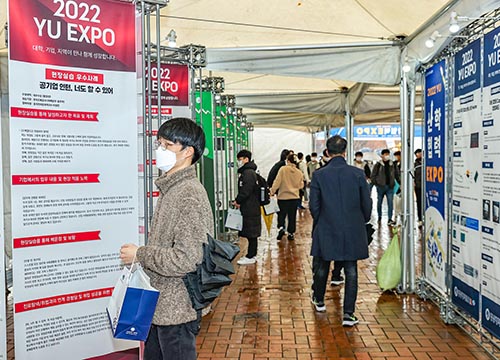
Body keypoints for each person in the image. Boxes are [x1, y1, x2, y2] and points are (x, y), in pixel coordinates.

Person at [119, 117, 213, 360]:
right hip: (160, 307)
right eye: (159, 144)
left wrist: (140, 254)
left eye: (167, 145)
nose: (160, 151)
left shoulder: (189, 194)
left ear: (188, 152)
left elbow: (187, 259)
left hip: (177, 311)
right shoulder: (172, 188)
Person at [309, 135, 372, 326]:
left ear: (327, 152)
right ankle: (348, 314)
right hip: (353, 227)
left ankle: (319, 300)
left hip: (327, 225)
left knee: (323, 265)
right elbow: (367, 203)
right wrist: (362, 220)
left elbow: (314, 205)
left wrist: (322, 221)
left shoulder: (319, 175)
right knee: (351, 269)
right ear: (345, 152)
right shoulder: (358, 174)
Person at [234, 149, 262, 265]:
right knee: (251, 231)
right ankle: (251, 254)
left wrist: (238, 200)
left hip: (250, 207)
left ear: (246, 159)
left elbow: (246, 190)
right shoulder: (249, 172)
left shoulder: (248, 173)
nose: (239, 162)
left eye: (240, 159)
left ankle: (251, 255)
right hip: (251, 206)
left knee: (252, 232)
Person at [271, 154, 304, 241]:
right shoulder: (299, 172)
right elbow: (301, 185)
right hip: (294, 197)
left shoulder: (283, 169)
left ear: (288, 161)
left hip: (283, 197)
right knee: (292, 216)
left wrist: (272, 191)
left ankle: (281, 228)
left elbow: (277, 182)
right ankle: (291, 233)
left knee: (281, 214)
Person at [371, 149, 398, 226]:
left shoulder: (392, 164)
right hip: (380, 187)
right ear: (382, 155)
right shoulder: (378, 164)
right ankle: (379, 216)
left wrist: (399, 183)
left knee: (390, 203)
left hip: (390, 187)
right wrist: (377, 183)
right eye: (385, 154)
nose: (387, 156)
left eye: (388, 154)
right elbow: (373, 175)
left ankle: (389, 218)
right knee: (379, 202)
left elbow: (396, 174)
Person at [414, 149, 423, 226]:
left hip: (427, 186)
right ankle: (420, 218)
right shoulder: (415, 164)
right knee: (419, 202)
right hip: (418, 186)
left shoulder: (427, 162)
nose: (420, 154)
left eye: (421, 153)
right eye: (418, 153)